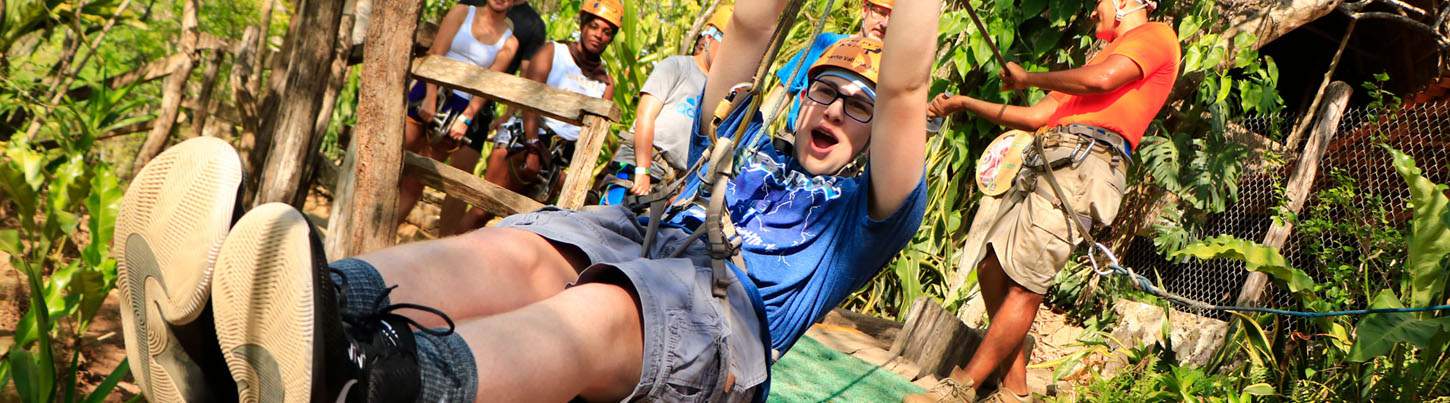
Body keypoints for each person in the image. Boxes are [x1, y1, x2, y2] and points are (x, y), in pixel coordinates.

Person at [109, 0, 940, 400]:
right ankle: (279, 312)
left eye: (856, 104)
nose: (835, 107)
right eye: (826, 90)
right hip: (641, 231)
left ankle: (379, 383)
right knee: (523, 248)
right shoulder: (741, 138)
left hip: (722, 325)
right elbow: (754, 24)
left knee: (612, 310)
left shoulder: (868, 215)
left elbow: (905, 84)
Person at [906, 0, 1179, 401]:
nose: (1092, 12)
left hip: (1086, 164)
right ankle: (1015, 389)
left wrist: (1028, 76)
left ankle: (960, 389)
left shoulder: (1155, 37)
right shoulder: (1094, 63)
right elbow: (1037, 117)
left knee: (1025, 286)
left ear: (1125, 2)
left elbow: (1103, 80)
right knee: (992, 268)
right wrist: (964, 103)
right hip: (1050, 158)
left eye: (1100, 2)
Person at [458, 0, 621, 229]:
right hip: (525, 139)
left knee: (527, 226)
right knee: (483, 209)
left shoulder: (605, 81)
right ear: (583, 25)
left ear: (611, 38)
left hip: (558, 157)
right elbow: (530, 97)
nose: (598, 35)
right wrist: (532, 145)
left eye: (606, 32)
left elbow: (594, 133)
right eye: (594, 26)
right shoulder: (554, 52)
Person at [397, 0, 519, 228]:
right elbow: (437, 53)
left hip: (460, 107)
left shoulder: (510, 42)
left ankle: (379, 239)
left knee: (415, 182)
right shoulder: (462, 12)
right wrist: (430, 96)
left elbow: (488, 84)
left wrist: (466, 118)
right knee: (392, 157)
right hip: (429, 88)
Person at [598, 7, 731, 205]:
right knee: (608, 222)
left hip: (673, 182)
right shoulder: (676, 67)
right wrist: (642, 170)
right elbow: (645, 116)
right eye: (726, 44)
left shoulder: (720, 93)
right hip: (643, 163)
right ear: (710, 38)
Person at [766, 0, 891, 134]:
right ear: (865, 10)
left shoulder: (892, 70)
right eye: (880, 13)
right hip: (791, 142)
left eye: (893, 19)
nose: (885, 23)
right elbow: (783, 92)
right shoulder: (826, 43)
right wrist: (749, 138)